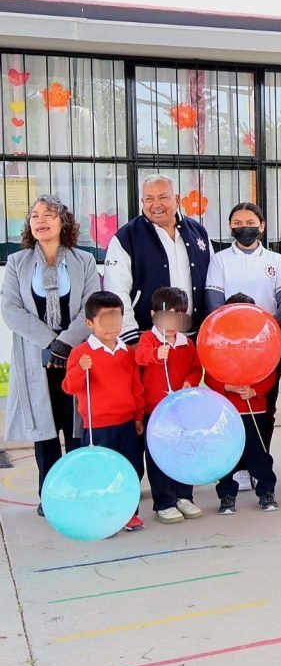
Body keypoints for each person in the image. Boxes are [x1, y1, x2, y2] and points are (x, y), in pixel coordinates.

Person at [2, 196, 99, 514]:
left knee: (76, 429)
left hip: (74, 357)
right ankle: (50, 495)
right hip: (35, 358)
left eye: (48, 214)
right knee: (43, 433)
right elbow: (11, 310)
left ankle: (76, 490)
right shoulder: (17, 263)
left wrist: (66, 343)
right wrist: (49, 341)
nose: (40, 220)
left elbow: (91, 305)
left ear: (63, 222)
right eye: (34, 215)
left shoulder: (83, 261)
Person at [206, 202, 281, 491]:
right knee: (233, 407)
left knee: (263, 406)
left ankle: (259, 462)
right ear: (230, 227)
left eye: (250, 222)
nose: (245, 227)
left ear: (262, 226)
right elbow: (214, 303)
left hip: (267, 346)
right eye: (238, 223)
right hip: (229, 349)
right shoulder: (219, 260)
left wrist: (270, 334)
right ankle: (238, 466)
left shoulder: (276, 261)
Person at [62, 291, 146, 532]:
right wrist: (80, 369)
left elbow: (136, 386)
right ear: (90, 323)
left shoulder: (128, 352)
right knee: (100, 474)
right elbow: (69, 387)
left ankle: (129, 513)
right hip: (97, 426)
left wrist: (138, 416)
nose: (112, 326)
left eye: (116, 319)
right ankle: (102, 516)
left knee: (130, 470)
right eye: (105, 320)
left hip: (127, 423)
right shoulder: (80, 353)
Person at [104, 175, 211, 344]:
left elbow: (210, 281)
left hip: (195, 337)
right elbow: (116, 291)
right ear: (142, 201)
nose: (156, 204)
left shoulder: (198, 231)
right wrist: (130, 336)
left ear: (176, 199)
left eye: (163, 197)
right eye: (149, 199)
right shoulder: (126, 237)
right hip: (147, 340)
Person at [207, 293, 280, 515]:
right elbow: (210, 373)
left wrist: (255, 390)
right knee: (227, 456)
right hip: (228, 411)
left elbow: (270, 371)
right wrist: (226, 387)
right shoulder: (219, 342)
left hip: (255, 409)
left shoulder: (260, 342)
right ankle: (227, 495)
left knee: (259, 455)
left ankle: (267, 491)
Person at [135, 287, 204, 523]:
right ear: (154, 314)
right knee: (158, 457)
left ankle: (184, 495)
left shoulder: (187, 343)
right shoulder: (148, 339)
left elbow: (197, 369)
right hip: (155, 411)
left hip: (182, 411)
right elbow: (140, 357)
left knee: (184, 453)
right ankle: (164, 502)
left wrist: (189, 382)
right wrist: (156, 353)